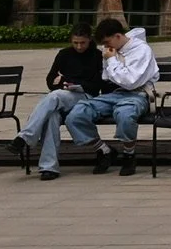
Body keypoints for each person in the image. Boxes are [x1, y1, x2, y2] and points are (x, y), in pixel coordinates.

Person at [66, 17, 157, 176]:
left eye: (108, 42)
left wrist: (112, 60)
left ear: (118, 36)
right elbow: (107, 77)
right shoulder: (110, 51)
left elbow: (130, 82)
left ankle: (129, 154)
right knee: (76, 114)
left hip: (138, 94)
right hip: (115, 94)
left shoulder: (142, 50)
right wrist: (111, 61)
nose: (106, 47)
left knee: (124, 113)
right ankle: (104, 150)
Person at [14, 27, 104, 180]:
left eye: (83, 43)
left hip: (85, 95)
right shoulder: (64, 54)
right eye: (75, 43)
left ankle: (26, 137)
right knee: (51, 116)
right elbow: (51, 80)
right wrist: (61, 84)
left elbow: (97, 85)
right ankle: (49, 167)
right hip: (65, 93)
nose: (79, 46)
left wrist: (76, 85)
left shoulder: (97, 56)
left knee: (55, 97)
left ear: (89, 40)